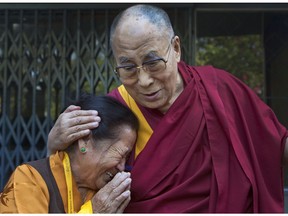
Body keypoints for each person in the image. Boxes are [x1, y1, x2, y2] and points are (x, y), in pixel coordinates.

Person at [47, 4, 288, 213]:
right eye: (128, 68)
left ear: (175, 48)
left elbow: (275, 145)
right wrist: (53, 147)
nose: (144, 81)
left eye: (152, 62)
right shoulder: (110, 113)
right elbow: (71, 187)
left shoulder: (220, 90)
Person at [0, 93, 139, 213]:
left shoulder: (109, 196)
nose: (122, 167)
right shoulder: (29, 179)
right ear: (84, 140)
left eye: (126, 158)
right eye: (121, 154)